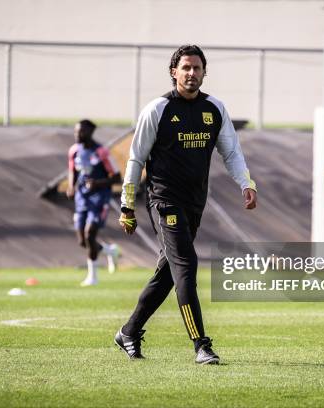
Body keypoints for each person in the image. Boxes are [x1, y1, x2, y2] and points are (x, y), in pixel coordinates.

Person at [115, 45, 257, 365]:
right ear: (173, 72)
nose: (191, 74)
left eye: (197, 68)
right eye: (186, 68)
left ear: (205, 72)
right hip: (164, 202)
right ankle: (201, 345)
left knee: (168, 273)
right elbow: (136, 158)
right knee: (187, 267)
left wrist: (246, 183)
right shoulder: (158, 109)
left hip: (195, 204)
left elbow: (231, 152)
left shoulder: (214, 109)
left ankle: (129, 331)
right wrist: (127, 204)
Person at [66, 119, 121, 286]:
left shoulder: (101, 152)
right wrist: (71, 186)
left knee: (90, 234)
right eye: (76, 131)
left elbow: (117, 178)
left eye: (81, 132)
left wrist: (97, 183)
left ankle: (93, 277)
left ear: (90, 132)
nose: (77, 135)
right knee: (83, 241)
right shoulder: (74, 150)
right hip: (82, 199)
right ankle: (110, 251)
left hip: (99, 198)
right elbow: (72, 171)